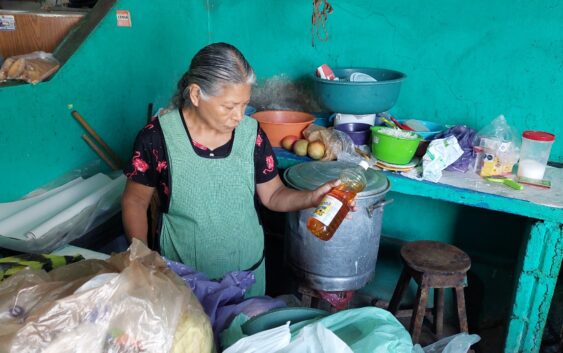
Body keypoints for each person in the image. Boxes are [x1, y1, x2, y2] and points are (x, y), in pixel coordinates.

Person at [122, 42, 339, 296]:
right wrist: (142, 259)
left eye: (243, 104)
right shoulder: (157, 138)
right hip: (183, 284)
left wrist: (311, 198)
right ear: (195, 95)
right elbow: (135, 202)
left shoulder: (252, 134)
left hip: (247, 277)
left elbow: (273, 195)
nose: (238, 116)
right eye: (228, 106)